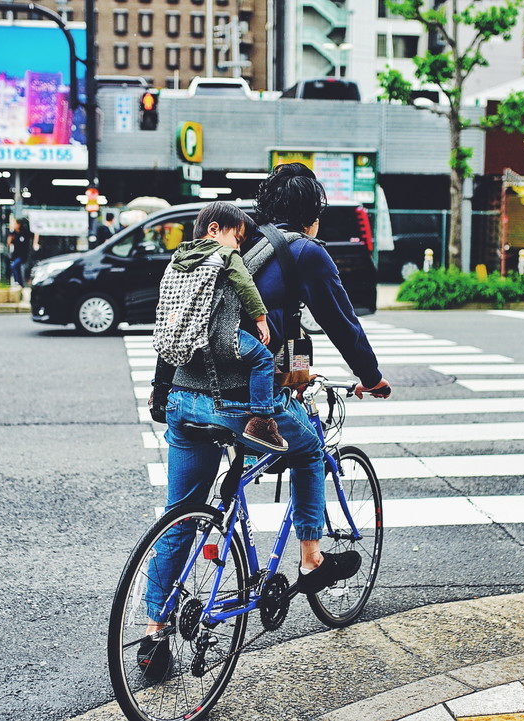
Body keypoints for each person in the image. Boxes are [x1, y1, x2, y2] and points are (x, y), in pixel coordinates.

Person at [138, 163, 392, 678]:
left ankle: (153, 634)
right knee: (307, 450)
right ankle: (312, 558)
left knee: (181, 514)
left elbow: (179, 320)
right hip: (239, 401)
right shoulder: (304, 251)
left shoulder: (220, 250)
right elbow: (343, 323)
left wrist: (163, 392)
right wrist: (372, 376)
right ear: (313, 216)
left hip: (186, 397)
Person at [153, 201, 287, 452]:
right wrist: (260, 319)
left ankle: (157, 393)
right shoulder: (224, 254)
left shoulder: (178, 258)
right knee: (263, 360)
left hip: (180, 332)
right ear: (214, 230)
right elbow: (245, 284)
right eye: (237, 238)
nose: (238, 246)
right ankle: (261, 419)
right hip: (216, 334)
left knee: (168, 350)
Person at [7, 217, 32, 287]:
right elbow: (9, 243)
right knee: (17, 268)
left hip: (23, 255)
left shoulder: (24, 233)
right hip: (15, 254)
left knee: (14, 266)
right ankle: (20, 283)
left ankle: (17, 281)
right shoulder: (13, 233)